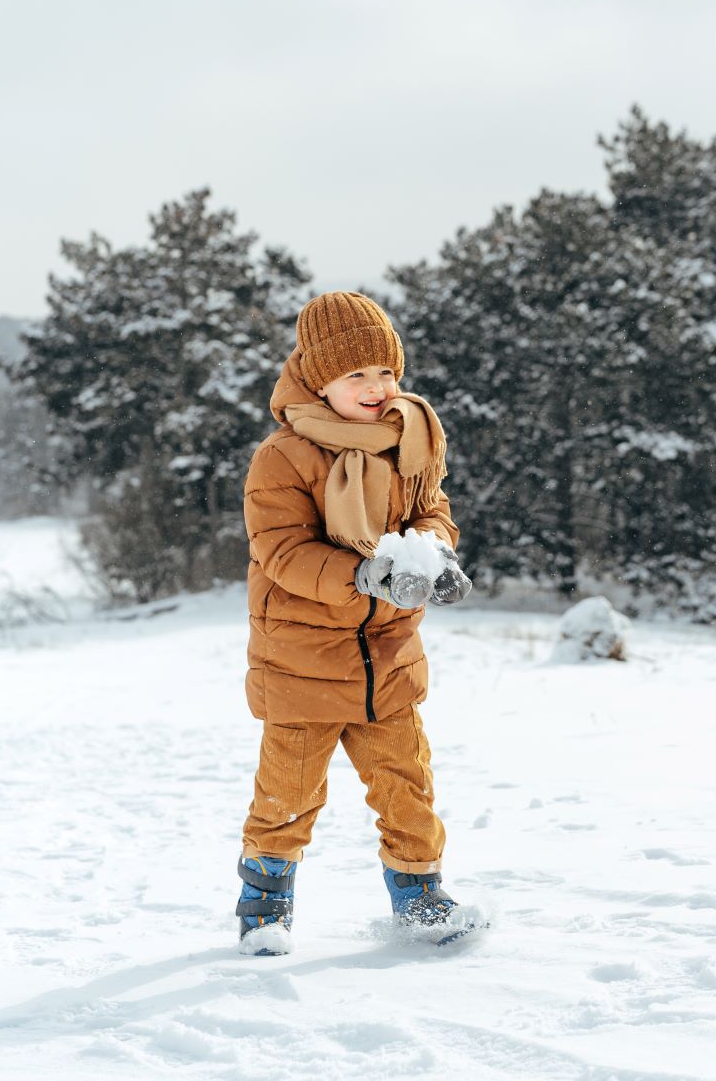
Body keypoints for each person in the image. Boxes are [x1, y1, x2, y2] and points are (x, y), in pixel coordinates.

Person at [233, 291, 474, 955]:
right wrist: (362, 575)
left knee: (407, 786)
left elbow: (432, 509)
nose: (376, 389)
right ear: (319, 379)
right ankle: (265, 904)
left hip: (387, 657)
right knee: (288, 795)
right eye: (356, 375)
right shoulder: (281, 458)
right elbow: (280, 553)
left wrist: (436, 552)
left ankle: (420, 898)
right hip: (302, 663)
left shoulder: (409, 438)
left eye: (386, 374)